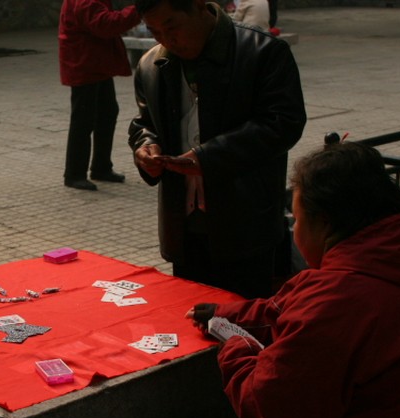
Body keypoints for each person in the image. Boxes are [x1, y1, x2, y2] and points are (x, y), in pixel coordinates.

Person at [153, 142, 400, 418]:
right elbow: (288, 309)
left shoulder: (341, 296)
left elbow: (273, 409)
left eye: (296, 219)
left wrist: (237, 349)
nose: (294, 231)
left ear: (324, 222)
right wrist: (225, 315)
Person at [128, 0, 306, 298]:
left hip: (246, 222)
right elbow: (143, 124)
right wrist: (146, 147)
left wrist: (208, 157)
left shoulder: (262, 51)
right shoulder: (151, 64)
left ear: (199, 5)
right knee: (188, 314)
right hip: (183, 228)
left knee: (245, 316)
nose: (166, 40)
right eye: (154, 31)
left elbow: (282, 123)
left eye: (172, 27)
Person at [59, 0, 140, 191]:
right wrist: (139, 9)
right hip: (85, 63)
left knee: (107, 112)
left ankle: (101, 167)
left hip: (94, 62)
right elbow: (105, 25)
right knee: (83, 119)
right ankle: (74, 174)